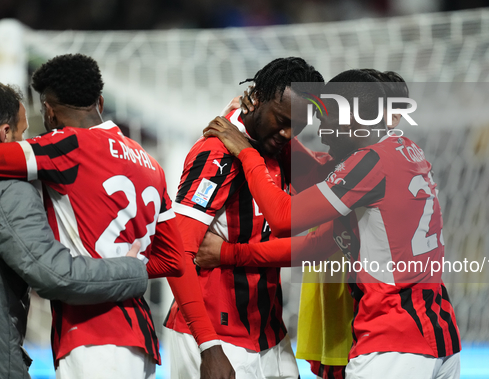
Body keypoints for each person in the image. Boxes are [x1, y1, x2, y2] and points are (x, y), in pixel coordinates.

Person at [200, 69, 461, 378]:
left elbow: (284, 218)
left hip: (393, 341)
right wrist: (251, 121)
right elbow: (315, 217)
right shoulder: (405, 152)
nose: (319, 127)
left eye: (326, 117)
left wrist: (245, 150)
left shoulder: (369, 162)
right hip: (440, 337)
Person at [0, 54, 185, 379]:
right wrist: (131, 266)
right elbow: (174, 261)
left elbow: (51, 272)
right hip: (140, 335)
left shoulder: (63, 147)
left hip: (92, 333)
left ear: (49, 110)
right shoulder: (151, 164)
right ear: (100, 100)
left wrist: (121, 268)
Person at [165, 57, 324, 379]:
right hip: (218, 337)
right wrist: (208, 348)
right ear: (258, 98)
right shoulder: (217, 153)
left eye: (299, 126)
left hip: (269, 333)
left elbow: (320, 191)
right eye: (281, 119)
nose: (288, 132)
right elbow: (177, 253)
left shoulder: (279, 149)